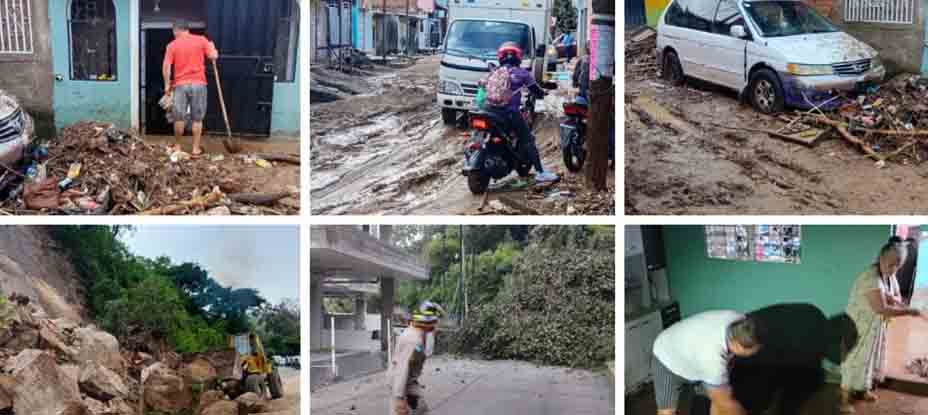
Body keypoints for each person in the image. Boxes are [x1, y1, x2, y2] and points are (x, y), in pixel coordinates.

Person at [840, 237, 922, 414]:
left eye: (897, 266)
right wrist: (909, 311)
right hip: (858, 327)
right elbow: (881, 309)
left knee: (868, 360)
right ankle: (844, 400)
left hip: (872, 327)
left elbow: (892, 296)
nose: (892, 269)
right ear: (880, 258)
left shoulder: (886, 276)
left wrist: (895, 300)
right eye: (890, 264)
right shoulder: (870, 278)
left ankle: (863, 390)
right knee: (853, 361)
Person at [651, 310, 765, 415]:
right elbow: (725, 404)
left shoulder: (741, 321)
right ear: (740, 347)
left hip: (695, 352)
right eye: (755, 351)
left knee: (715, 399)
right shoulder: (713, 360)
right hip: (667, 355)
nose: (755, 353)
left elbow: (719, 401)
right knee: (667, 413)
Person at [485, 42, 559, 183]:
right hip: (510, 113)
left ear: (500, 57)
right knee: (528, 140)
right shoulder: (523, 73)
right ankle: (540, 173)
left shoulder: (494, 72)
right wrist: (543, 93)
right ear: (518, 57)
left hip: (489, 110)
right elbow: (536, 90)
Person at [163, 19, 218, 158]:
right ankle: (195, 149)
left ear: (176, 30)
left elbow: (166, 66)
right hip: (199, 84)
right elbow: (213, 56)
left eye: (173, 31)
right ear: (187, 29)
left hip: (180, 85)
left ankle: (178, 146)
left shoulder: (172, 45)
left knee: (179, 117)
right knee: (197, 118)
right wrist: (213, 48)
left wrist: (167, 85)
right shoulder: (202, 40)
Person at [390, 301, 445, 415]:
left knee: (421, 409)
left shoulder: (419, 331)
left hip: (409, 380)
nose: (437, 325)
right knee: (403, 410)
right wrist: (399, 397)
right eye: (435, 321)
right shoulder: (413, 341)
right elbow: (402, 368)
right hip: (401, 381)